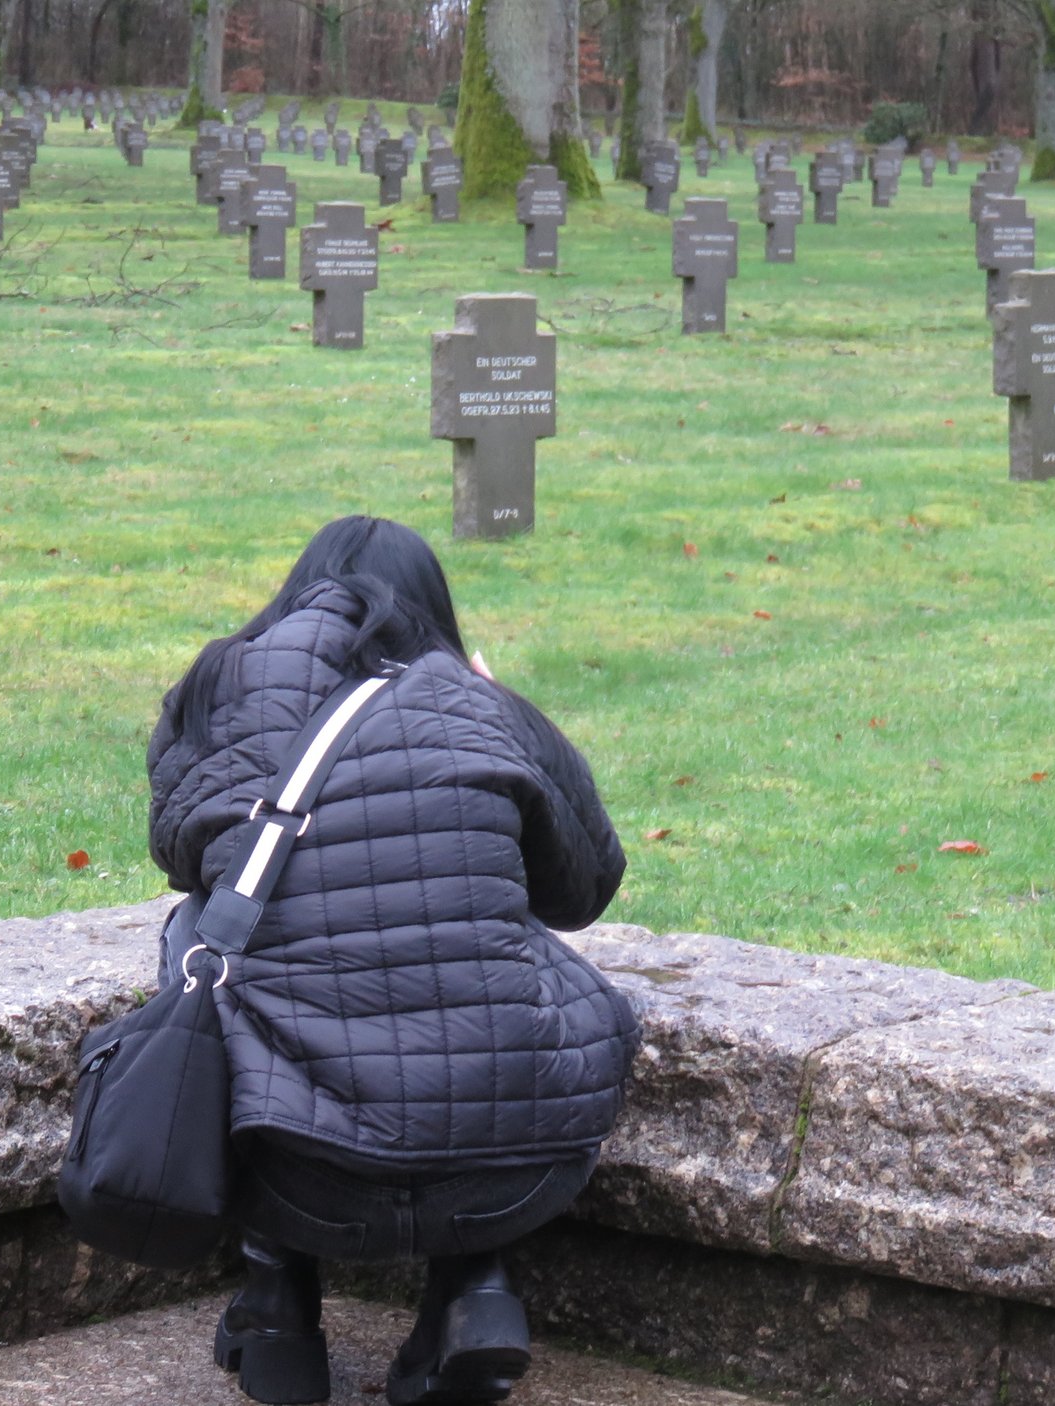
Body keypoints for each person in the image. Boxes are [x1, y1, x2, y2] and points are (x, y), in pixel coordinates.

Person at [147, 517, 637, 1406]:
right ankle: (475, 1290)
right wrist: (512, 711)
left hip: (296, 1175)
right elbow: (584, 890)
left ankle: (277, 1305)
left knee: (200, 938)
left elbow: (181, 856)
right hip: (516, 1171)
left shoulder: (222, 686)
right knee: (495, 943)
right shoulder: (479, 705)